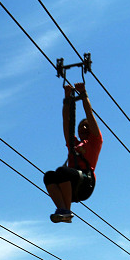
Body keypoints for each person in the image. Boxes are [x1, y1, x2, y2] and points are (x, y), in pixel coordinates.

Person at [43, 82, 103, 223]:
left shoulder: (95, 141)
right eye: (81, 126)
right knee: (49, 176)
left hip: (86, 182)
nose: (83, 127)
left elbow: (90, 114)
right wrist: (66, 98)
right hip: (73, 182)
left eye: (86, 125)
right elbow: (66, 121)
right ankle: (62, 209)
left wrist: (84, 95)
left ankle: (67, 211)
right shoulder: (74, 144)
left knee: (62, 171)